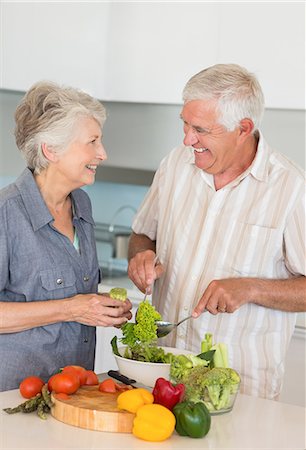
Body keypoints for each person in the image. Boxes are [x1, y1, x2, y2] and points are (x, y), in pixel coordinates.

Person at [127, 64, 306, 400]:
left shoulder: (291, 189)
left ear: (244, 128)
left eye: (201, 130)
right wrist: (141, 256)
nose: (187, 139)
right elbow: (141, 234)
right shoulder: (174, 165)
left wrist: (251, 288)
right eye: (184, 124)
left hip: (238, 389)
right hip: (160, 373)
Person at [0, 82, 132, 391]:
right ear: (51, 150)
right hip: (14, 399)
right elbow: (72, 305)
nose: (103, 153)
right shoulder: (6, 213)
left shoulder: (81, 204)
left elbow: (81, 297)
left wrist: (102, 307)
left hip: (76, 392)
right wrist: (72, 307)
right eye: (92, 141)